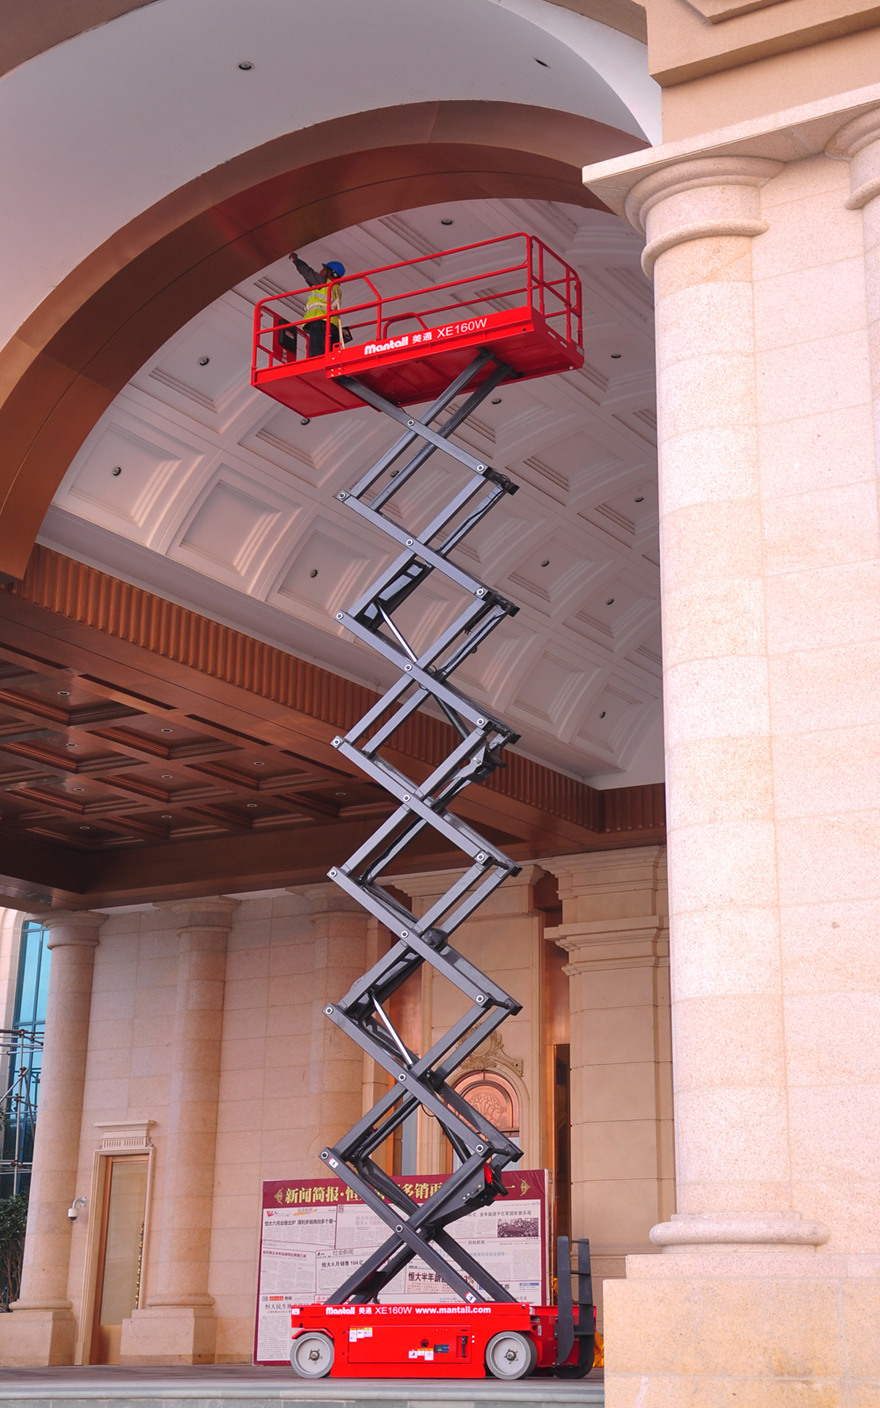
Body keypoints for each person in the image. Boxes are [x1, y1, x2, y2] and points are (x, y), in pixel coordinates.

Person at [285, 253, 346, 358]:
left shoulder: (324, 283)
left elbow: (307, 272)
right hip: (332, 325)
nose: (320, 271)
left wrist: (296, 260)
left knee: (317, 355)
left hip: (320, 320)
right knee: (329, 354)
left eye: (324, 269)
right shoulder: (336, 289)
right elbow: (310, 279)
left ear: (329, 272)